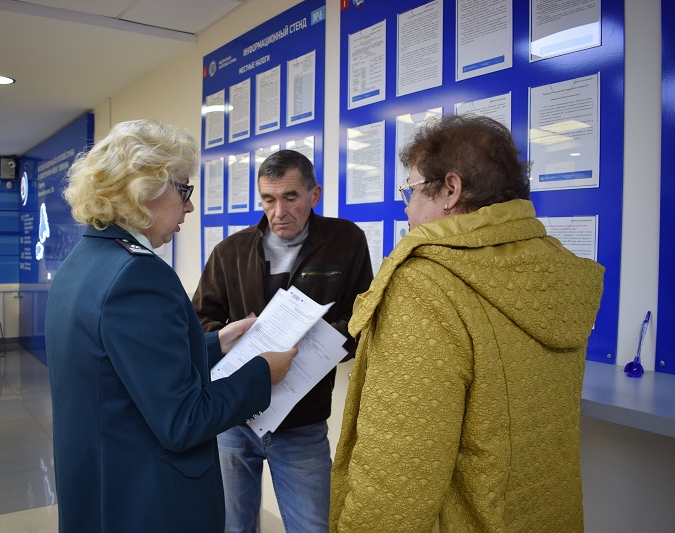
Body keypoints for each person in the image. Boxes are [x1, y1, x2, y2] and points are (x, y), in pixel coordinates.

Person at [329, 114, 605, 533]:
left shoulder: (427, 286)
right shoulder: (552, 271)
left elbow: (398, 477)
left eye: (412, 190)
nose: (406, 207)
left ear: (451, 190)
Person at [45, 119, 298, 533]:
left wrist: (217, 342)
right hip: (150, 500)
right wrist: (262, 373)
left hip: (102, 486)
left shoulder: (84, 262)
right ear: (142, 190)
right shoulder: (138, 276)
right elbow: (183, 421)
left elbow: (124, 366)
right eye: (183, 189)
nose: (189, 206)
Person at [193, 149, 374, 533]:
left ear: (314, 194)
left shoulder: (346, 241)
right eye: (269, 199)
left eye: (291, 197)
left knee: (312, 526)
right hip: (234, 417)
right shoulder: (231, 251)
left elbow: (363, 317)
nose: (279, 212)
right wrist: (231, 338)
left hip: (302, 421)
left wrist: (319, 343)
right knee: (233, 526)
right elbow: (200, 321)